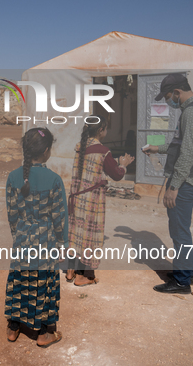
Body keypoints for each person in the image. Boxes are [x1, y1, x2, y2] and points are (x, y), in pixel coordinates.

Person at [143, 73, 193, 294]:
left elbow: (187, 153)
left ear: (177, 92)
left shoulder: (191, 112)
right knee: (181, 228)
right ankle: (187, 272)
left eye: (168, 96)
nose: (168, 101)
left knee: (179, 230)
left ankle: (182, 281)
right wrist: (158, 148)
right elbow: (183, 143)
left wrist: (173, 187)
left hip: (187, 179)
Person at [4, 127, 68, 348]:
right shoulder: (54, 180)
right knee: (43, 283)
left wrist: (19, 235)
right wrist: (62, 245)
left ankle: (13, 327)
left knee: (19, 280)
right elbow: (60, 218)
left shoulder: (13, 177)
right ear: (47, 151)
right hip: (45, 241)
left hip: (22, 238)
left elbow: (12, 214)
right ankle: (42, 333)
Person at [65, 116, 134, 286]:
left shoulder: (80, 147)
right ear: (101, 131)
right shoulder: (103, 151)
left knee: (76, 233)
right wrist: (124, 165)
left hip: (77, 198)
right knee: (89, 236)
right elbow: (116, 174)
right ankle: (83, 276)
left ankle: (70, 271)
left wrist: (116, 161)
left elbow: (95, 163)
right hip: (91, 201)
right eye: (105, 128)